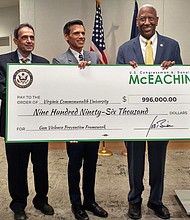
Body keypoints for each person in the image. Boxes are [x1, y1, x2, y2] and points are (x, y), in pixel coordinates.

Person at [116, 4, 182, 220]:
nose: (146, 22)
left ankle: (156, 201)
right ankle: (134, 201)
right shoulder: (125, 49)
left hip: (161, 115)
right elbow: (115, 82)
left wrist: (172, 68)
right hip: (134, 116)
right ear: (137, 22)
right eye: (142, 19)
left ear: (157, 20)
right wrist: (126, 73)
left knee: (158, 161)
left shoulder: (172, 45)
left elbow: (180, 79)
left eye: (150, 18)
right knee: (135, 162)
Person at [53, 20, 108, 220]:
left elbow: (103, 83)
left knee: (92, 163)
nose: (81, 36)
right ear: (67, 37)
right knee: (75, 164)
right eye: (76, 33)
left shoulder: (94, 56)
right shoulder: (59, 60)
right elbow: (61, 91)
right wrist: (78, 72)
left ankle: (90, 201)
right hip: (73, 123)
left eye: (83, 33)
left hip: (92, 121)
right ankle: (76, 204)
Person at [0, 23, 54, 220]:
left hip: (38, 125)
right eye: (25, 37)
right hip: (15, 126)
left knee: (41, 165)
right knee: (16, 167)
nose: (29, 41)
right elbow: (2, 90)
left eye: (32, 37)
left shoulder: (44, 63)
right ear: (16, 41)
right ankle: (19, 204)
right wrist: (29, 95)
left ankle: (41, 199)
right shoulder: (3, 61)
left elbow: (49, 91)